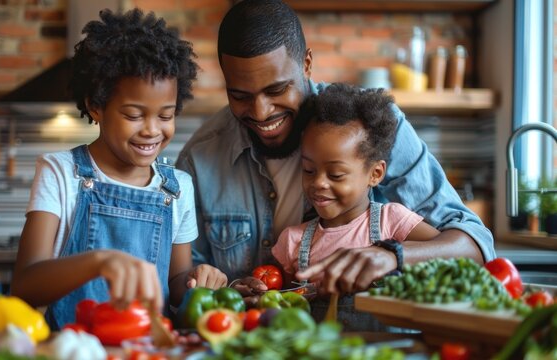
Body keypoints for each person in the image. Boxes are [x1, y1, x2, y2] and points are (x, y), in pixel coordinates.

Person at [175, 0, 494, 307]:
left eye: (276, 90)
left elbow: (473, 244)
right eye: (240, 96)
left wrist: (390, 255)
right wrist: (226, 289)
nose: (260, 112)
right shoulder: (201, 157)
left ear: (307, 64)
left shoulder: (370, 128)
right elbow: (184, 283)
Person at [11, 8, 227, 330]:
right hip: (72, 350)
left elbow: (176, 284)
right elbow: (25, 286)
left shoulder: (177, 187)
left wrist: (198, 279)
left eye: (165, 116)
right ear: (96, 106)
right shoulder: (61, 173)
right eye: (134, 115)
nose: (152, 130)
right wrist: (98, 262)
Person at [270, 84, 440, 329]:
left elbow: (443, 256)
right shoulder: (292, 241)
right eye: (308, 170)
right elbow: (278, 300)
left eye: (336, 175)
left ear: (375, 173)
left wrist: (394, 257)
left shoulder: (392, 221)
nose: (318, 183)